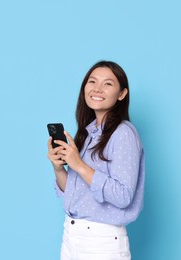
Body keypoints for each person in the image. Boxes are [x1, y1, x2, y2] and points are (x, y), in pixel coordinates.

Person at [47, 60, 145, 260]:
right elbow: (77, 194)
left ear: (122, 94)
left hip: (101, 242)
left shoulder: (123, 133)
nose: (97, 88)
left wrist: (79, 166)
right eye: (92, 82)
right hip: (72, 236)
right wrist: (58, 169)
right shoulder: (88, 133)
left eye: (108, 84)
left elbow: (123, 196)